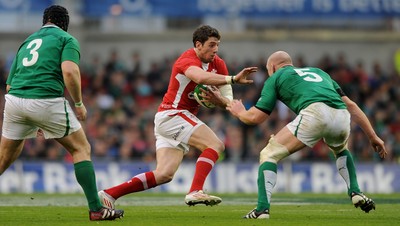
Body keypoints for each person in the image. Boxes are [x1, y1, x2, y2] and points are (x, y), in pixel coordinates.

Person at [98, 25, 257, 208]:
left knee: (164, 174)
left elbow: (228, 101)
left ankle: (109, 194)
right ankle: (195, 190)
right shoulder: (187, 59)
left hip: (172, 120)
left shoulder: (218, 64)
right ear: (198, 44)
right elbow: (200, 77)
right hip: (172, 115)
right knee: (215, 144)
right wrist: (233, 79)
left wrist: (219, 100)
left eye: (217, 45)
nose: (215, 50)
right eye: (211, 45)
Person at [226, 51, 387, 219]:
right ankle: (355, 192)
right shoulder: (319, 72)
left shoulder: (275, 77)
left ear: (272, 67)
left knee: (268, 155)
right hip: (341, 114)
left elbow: (256, 117)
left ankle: (262, 209)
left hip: (314, 112)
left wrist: (239, 112)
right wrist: (372, 136)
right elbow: (351, 105)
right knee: (340, 149)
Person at [0, 5, 124, 221]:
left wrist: (33, 118)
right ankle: (96, 209)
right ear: (64, 22)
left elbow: (9, 85)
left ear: (45, 20)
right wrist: (78, 102)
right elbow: (69, 70)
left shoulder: (28, 41)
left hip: (14, 101)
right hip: (46, 100)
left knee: (4, 158)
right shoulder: (66, 39)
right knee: (81, 148)